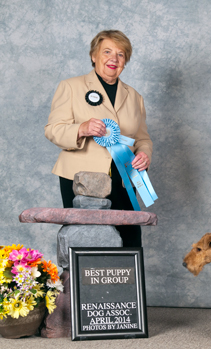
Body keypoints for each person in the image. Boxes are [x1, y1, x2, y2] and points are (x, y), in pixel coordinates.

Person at [45, 30, 152, 248]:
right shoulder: (71, 86)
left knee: (129, 239)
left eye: (121, 54)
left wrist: (144, 154)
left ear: (125, 61)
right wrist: (81, 129)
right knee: (87, 241)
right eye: (107, 52)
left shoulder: (135, 97)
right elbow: (53, 130)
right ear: (94, 56)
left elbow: (143, 139)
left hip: (123, 179)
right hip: (81, 181)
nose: (114, 58)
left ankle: (126, 283)